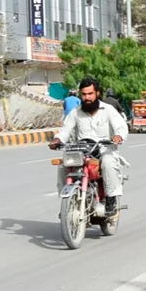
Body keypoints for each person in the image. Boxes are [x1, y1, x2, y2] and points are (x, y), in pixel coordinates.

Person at [50, 76, 130, 217]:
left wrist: (118, 136)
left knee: (108, 162)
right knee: (63, 164)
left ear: (97, 93)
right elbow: (65, 131)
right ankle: (67, 202)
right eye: (84, 94)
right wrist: (57, 139)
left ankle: (111, 200)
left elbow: (121, 127)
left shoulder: (108, 110)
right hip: (83, 151)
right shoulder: (76, 112)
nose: (87, 97)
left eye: (90, 94)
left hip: (105, 150)